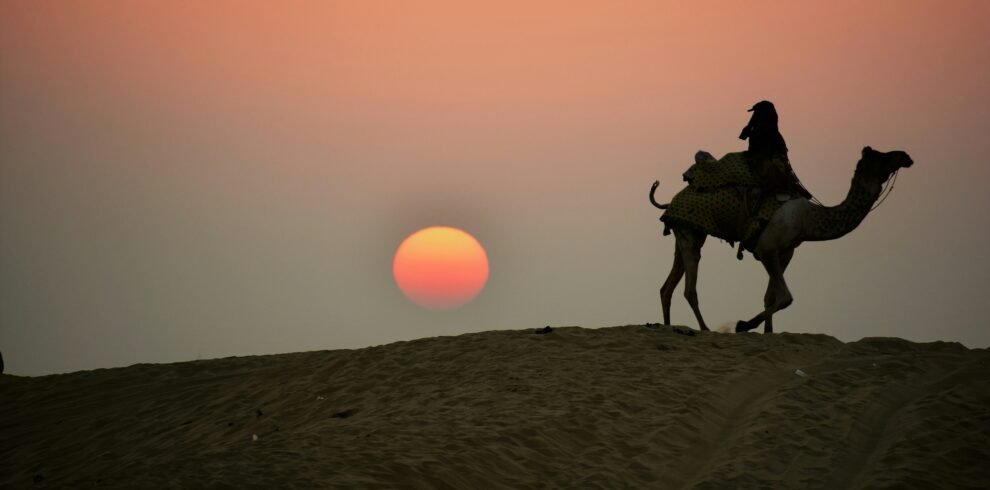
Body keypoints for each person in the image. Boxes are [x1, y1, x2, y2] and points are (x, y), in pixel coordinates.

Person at [739, 100, 811, 199]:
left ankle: (783, 188)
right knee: (771, 169)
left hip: (770, 158)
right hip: (759, 158)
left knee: (776, 169)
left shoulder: (769, 132)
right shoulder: (762, 131)